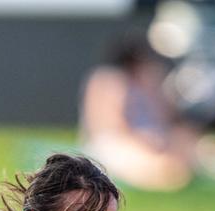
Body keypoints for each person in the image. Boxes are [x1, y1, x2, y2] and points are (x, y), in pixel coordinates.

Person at [80, 31, 197, 191]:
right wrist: (144, 140)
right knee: (158, 168)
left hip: (153, 137)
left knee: (184, 140)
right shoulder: (109, 80)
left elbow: (168, 118)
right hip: (118, 140)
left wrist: (154, 87)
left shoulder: (149, 81)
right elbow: (113, 125)